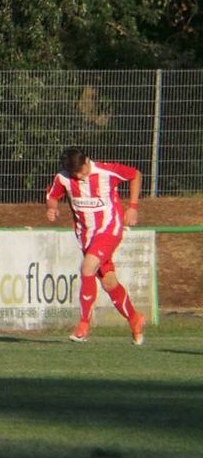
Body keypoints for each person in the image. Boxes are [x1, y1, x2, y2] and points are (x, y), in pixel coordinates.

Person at [45, 147, 145, 345]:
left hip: (109, 230)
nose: (79, 176)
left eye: (80, 171)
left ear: (86, 161)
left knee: (87, 268)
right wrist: (52, 209)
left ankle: (83, 325)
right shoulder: (63, 178)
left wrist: (132, 207)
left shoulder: (105, 172)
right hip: (86, 236)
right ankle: (134, 318)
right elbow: (53, 197)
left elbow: (135, 174)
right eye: (74, 174)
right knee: (109, 283)